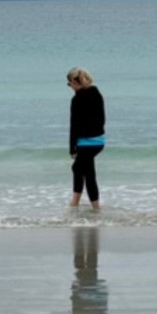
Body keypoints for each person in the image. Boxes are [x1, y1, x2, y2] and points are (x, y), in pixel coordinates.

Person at [66, 66, 105, 211]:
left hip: (85, 143)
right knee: (82, 169)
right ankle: (78, 203)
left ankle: (93, 208)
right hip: (99, 141)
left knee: (82, 171)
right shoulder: (97, 93)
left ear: (75, 82)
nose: (70, 87)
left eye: (69, 83)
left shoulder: (77, 99)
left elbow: (74, 126)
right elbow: (102, 119)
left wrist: (72, 148)